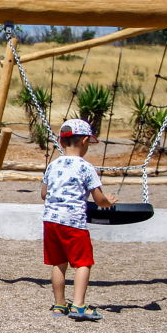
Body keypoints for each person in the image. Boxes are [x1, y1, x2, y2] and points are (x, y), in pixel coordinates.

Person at [40, 119, 117, 321]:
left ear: (61, 141)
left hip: (50, 220)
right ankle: (79, 305)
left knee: (58, 263)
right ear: (85, 140)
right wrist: (108, 202)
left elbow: (43, 193)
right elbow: (98, 198)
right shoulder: (86, 167)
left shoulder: (53, 165)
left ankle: (59, 304)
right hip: (73, 222)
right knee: (83, 263)